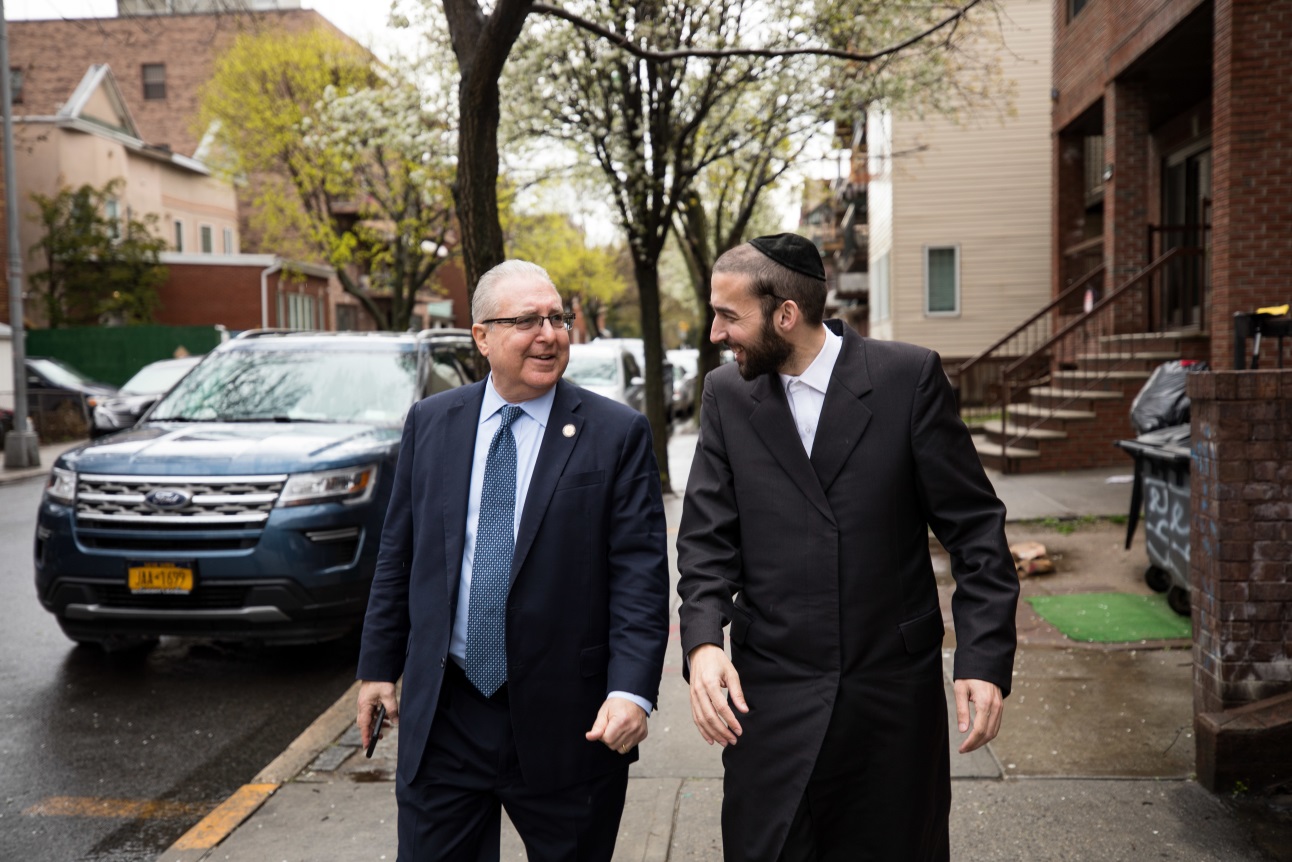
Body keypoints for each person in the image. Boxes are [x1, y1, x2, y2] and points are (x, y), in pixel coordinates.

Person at [676, 234, 1019, 861]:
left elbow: (975, 529)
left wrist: (982, 656)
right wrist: (702, 644)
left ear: (785, 314)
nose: (715, 334)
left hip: (888, 698)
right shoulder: (727, 395)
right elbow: (705, 540)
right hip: (770, 700)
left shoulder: (906, 378)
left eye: (729, 316)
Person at [356, 259, 670, 861]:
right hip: (446, 716)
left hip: (571, 725)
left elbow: (639, 578)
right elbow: (398, 555)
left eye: (557, 318)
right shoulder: (431, 423)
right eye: (526, 320)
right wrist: (377, 668)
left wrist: (632, 691)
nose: (548, 333)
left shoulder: (616, 433)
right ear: (482, 337)